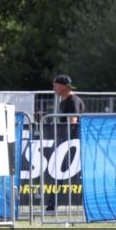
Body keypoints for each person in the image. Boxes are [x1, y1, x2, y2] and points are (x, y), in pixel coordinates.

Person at [45, 74, 85, 211]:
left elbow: (72, 123)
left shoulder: (72, 101)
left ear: (63, 86)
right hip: (67, 144)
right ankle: (52, 204)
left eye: (55, 85)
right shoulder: (64, 101)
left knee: (62, 173)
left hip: (73, 144)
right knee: (60, 173)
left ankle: (52, 204)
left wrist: (65, 143)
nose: (53, 88)